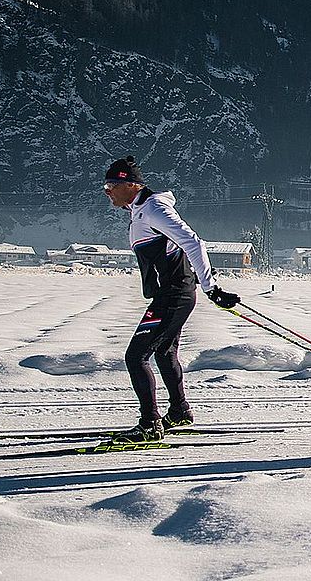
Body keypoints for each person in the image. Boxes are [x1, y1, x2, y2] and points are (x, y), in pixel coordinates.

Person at [102, 157, 240, 443]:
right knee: (164, 352)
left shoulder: (153, 208)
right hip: (172, 293)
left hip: (174, 295)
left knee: (136, 356)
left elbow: (194, 242)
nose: (107, 191)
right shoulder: (140, 209)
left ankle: (150, 425)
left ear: (131, 184)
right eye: (106, 186)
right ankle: (179, 411)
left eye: (112, 185)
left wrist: (211, 287)